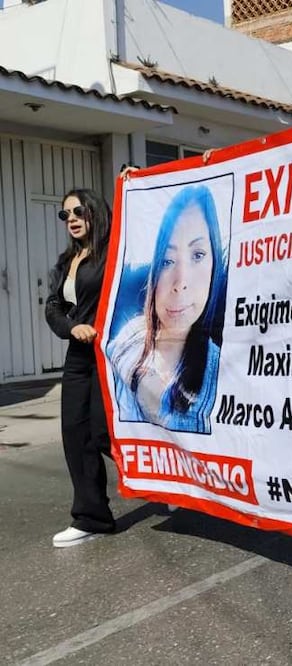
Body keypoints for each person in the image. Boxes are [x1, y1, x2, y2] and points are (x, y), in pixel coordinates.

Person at [108, 184, 227, 434]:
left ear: (214, 262)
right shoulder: (127, 341)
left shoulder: (222, 372)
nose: (180, 282)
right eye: (167, 260)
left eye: (198, 255)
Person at [45, 188, 116, 547]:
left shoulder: (114, 251)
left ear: (95, 212)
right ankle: (92, 517)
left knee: (106, 432)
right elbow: (53, 307)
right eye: (65, 215)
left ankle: (166, 479)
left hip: (111, 354)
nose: (71, 218)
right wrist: (72, 327)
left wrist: (131, 181)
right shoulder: (65, 262)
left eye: (78, 211)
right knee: (76, 434)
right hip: (78, 355)